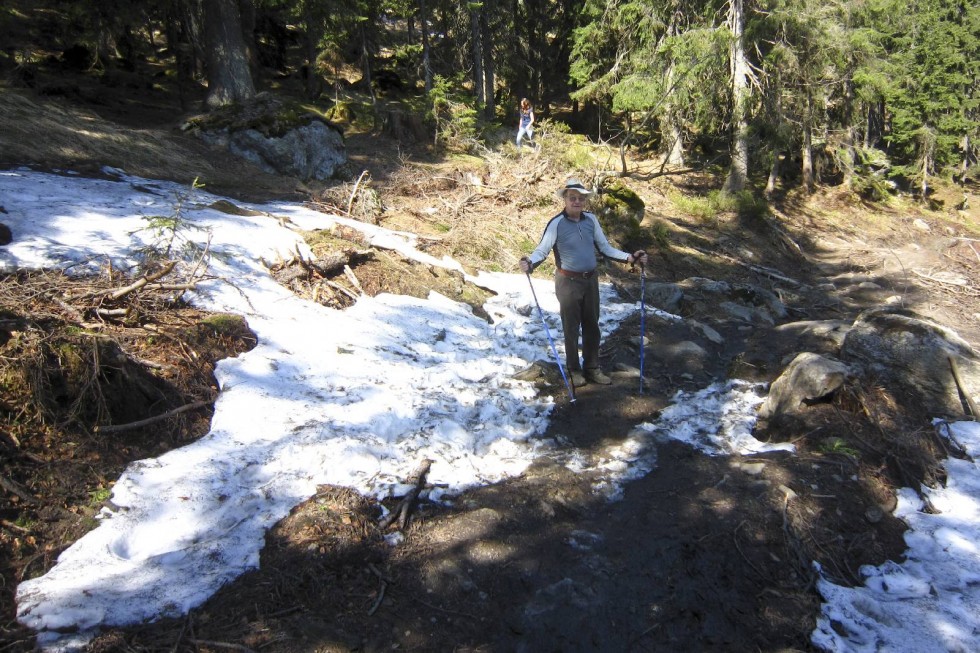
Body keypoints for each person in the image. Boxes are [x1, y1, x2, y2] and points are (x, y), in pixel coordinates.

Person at [520, 178, 647, 387]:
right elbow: (542, 250)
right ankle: (574, 371)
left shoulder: (591, 220)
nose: (576, 202)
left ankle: (592, 368)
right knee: (571, 328)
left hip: (590, 280)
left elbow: (605, 247)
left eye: (580, 198)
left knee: (592, 326)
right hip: (567, 281)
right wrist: (529, 262)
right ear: (565, 200)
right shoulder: (556, 223)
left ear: (585, 201)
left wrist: (629, 258)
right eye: (572, 198)